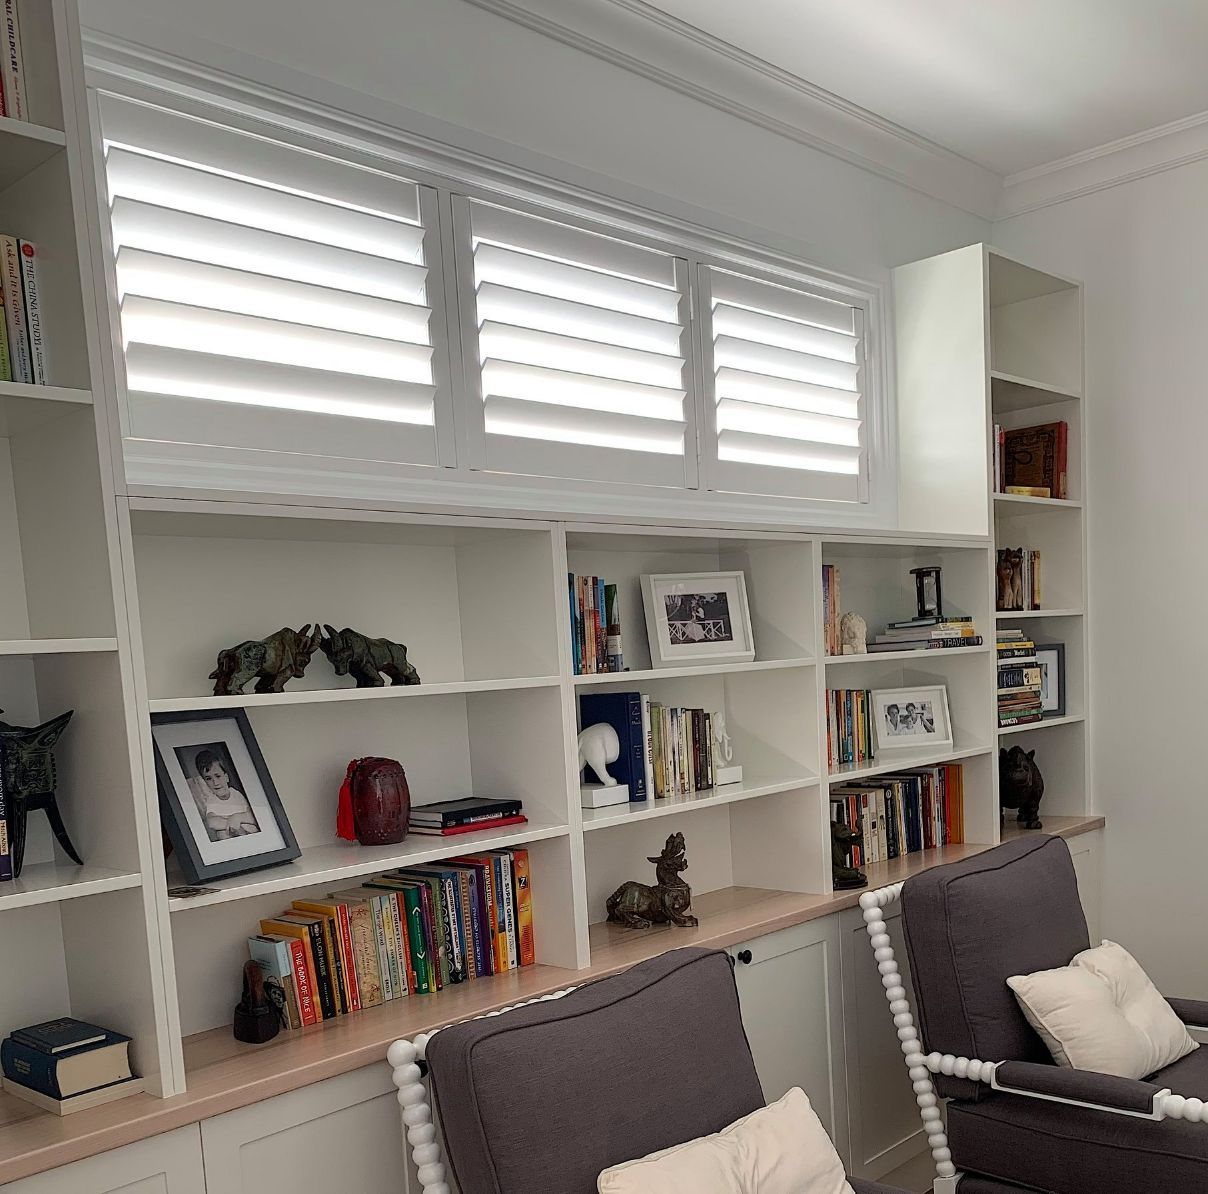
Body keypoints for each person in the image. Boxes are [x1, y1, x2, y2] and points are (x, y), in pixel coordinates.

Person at [194, 749, 258, 840]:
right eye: (208, 778)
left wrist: (237, 818)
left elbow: (253, 816)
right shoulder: (212, 801)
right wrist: (234, 825)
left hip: (250, 835)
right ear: (205, 782)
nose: (215, 782)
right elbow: (211, 822)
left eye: (218, 776)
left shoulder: (236, 794)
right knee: (222, 833)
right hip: (235, 838)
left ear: (226, 777)